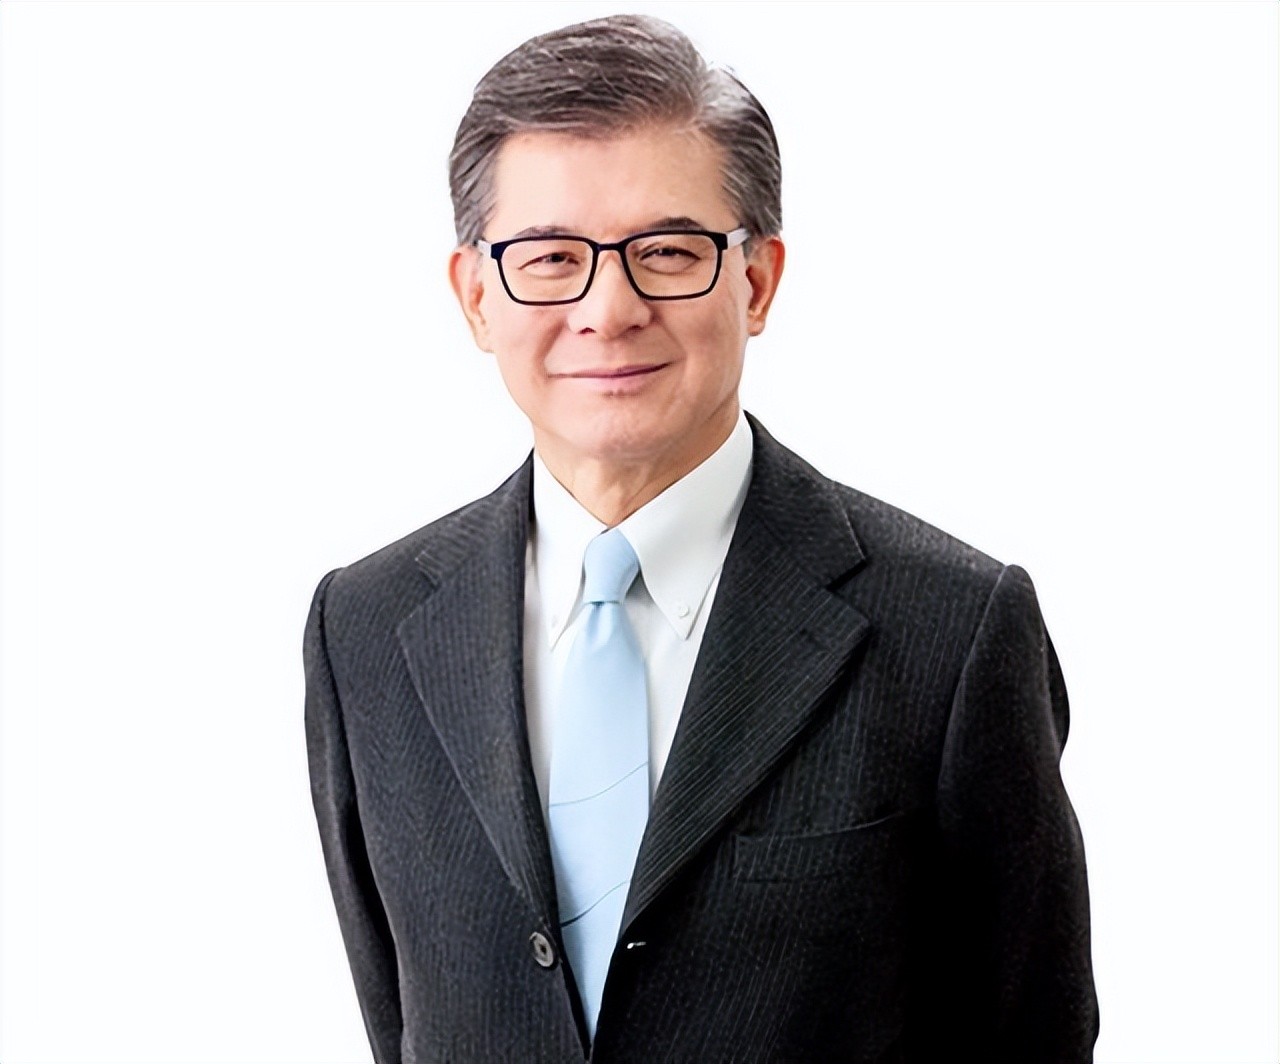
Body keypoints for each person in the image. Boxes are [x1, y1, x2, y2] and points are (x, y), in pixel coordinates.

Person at [304, 14, 1098, 1063]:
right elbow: (399, 1020)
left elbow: (1029, 1035)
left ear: (755, 281)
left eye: (666, 253)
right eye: (550, 257)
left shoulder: (949, 629)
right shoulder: (365, 628)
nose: (608, 307)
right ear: (476, 296)